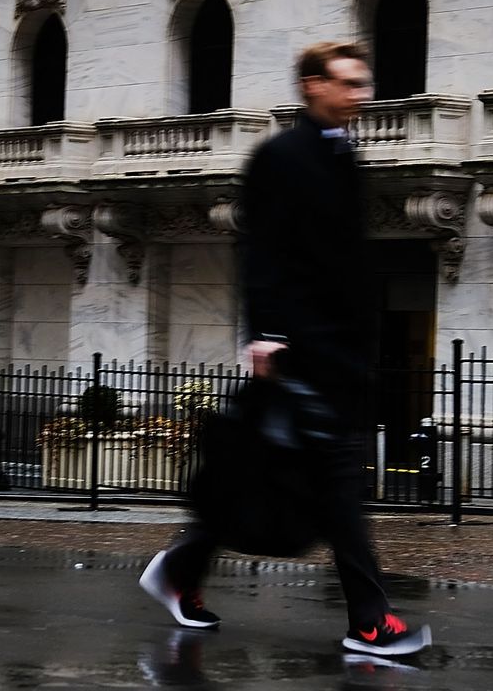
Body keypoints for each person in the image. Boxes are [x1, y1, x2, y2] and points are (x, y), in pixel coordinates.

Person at [139, 41, 431, 657]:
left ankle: (181, 568)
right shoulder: (279, 156)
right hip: (301, 347)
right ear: (311, 85)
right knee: (334, 482)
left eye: (362, 83)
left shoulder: (345, 157)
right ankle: (370, 621)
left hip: (343, 351)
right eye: (347, 83)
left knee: (292, 476)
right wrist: (267, 330)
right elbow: (262, 249)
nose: (360, 94)